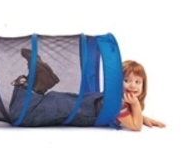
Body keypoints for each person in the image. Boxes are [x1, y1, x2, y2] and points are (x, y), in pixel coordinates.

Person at [9, 49, 165, 130]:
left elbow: (135, 119)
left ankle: (38, 82)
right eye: (127, 80)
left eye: (138, 82)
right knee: (20, 117)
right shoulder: (119, 104)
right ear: (117, 82)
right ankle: (37, 81)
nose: (133, 85)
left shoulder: (120, 102)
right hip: (77, 110)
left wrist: (142, 117)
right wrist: (136, 107)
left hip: (72, 103)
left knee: (31, 109)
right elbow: (135, 127)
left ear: (144, 85)